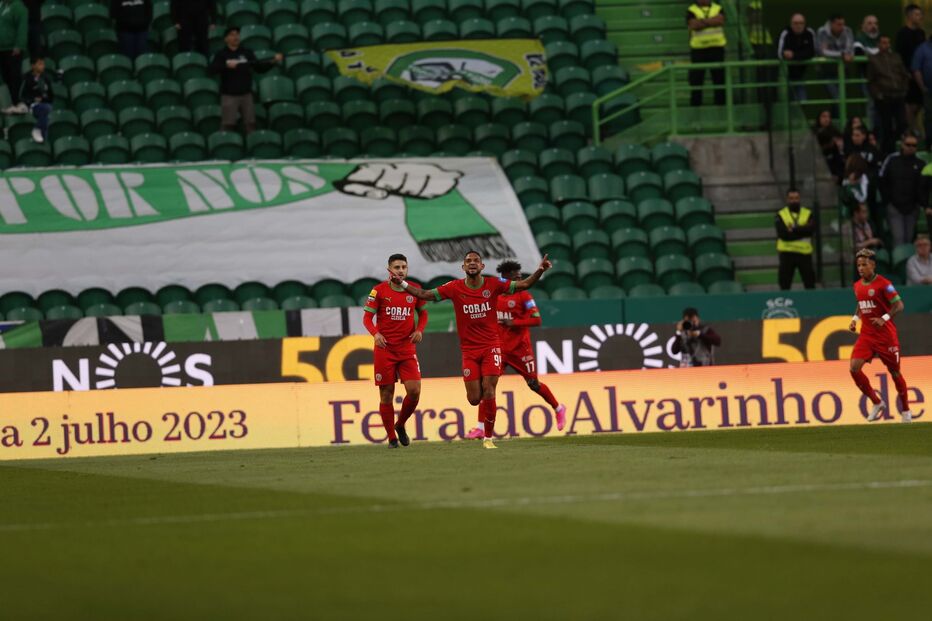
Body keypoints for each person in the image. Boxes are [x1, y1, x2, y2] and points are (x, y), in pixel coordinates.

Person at [388, 251, 552, 450]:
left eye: (476, 261)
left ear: (482, 266)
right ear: (463, 268)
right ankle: (484, 417)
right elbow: (425, 294)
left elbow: (524, 284)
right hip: (469, 351)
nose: (472, 263)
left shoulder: (493, 285)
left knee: (489, 390)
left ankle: (488, 439)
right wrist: (402, 284)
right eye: (468, 261)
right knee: (475, 399)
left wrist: (540, 270)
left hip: (491, 347)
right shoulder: (454, 288)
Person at [491, 260, 566, 436]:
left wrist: (515, 322)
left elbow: (537, 320)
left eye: (520, 273)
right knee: (488, 387)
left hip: (520, 349)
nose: (519, 276)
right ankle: (480, 429)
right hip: (500, 350)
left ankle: (558, 408)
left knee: (533, 384)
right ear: (505, 277)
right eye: (515, 273)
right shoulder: (495, 296)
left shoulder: (524, 296)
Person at [362, 254, 428, 449]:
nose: (400, 270)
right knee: (386, 394)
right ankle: (391, 438)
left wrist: (419, 330)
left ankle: (400, 424)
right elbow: (367, 318)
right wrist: (375, 334)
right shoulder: (378, 291)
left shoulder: (413, 289)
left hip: (407, 349)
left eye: (403, 267)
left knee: (414, 391)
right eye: (397, 267)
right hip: (385, 350)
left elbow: (423, 313)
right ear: (389, 270)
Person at [848, 248, 913, 423]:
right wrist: (855, 318)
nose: (861, 268)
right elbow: (861, 303)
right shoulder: (857, 285)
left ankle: (906, 410)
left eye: (864, 264)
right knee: (854, 368)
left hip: (886, 337)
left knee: (895, 373)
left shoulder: (885, 284)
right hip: (867, 335)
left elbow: (899, 305)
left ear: (873, 265)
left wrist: (884, 318)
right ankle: (877, 402)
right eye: (859, 265)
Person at [208, 26, 282, 135]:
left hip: (246, 95)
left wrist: (273, 61)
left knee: (251, 124)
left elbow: (259, 68)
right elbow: (212, 70)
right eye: (232, 35)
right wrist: (226, 65)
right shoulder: (221, 54)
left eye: (237, 34)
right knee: (228, 125)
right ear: (226, 39)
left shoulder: (247, 52)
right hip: (229, 95)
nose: (235, 37)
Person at [879, 134, 924, 247]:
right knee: (898, 239)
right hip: (894, 206)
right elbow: (882, 180)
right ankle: (899, 264)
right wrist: (887, 201)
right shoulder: (892, 160)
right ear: (902, 145)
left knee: (908, 240)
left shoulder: (920, 164)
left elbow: (923, 187)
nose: (911, 147)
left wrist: (919, 203)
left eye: (914, 145)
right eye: (908, 144)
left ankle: (907, 264)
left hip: (912, 208)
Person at [867, 35, 910, 154]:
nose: (886, 45)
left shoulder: (896, 57)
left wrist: (904, 89)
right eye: (884, 43)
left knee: (902, 123)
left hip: (898, 95)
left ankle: (892, 145)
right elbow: (871, 80)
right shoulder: (874, 59)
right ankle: (887, 152)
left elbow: (904, 74)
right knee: (886, 127)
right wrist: (878, 95)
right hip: (884, 97)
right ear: (878, 45)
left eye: (888, 43)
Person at [686, 0, 727, 107]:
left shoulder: (718, 8)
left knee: (719, 82)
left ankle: (721, 110)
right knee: (696, 83)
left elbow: (720, 21)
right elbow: (693, 25)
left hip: (717, 49)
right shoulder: (691, 10)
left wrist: (702, 22)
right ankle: (695, 112)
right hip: (698, 51)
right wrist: (711, 21)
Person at [775, 188, 816, 290]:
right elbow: (783, 234)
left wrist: (793, 229)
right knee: (784, 284)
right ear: (787, 199)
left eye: (796, 198)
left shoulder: (808, 213)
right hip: (786, 253)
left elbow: (811, 231)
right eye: (791, 198)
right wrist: (802, 231)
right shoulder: (780, 214)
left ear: (800, 198)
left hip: (804, 253)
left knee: (810, 283)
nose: (794, 201)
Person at [896, 4, 926, 132]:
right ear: (909, 16)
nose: (919, 17)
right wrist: (905, 73)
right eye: (917, 15)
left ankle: (914, 128)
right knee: (909, 104)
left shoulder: (921, 33)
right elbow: (899, 55)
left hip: (920, 74)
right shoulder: (902, 34)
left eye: (920, 15)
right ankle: (912, 130)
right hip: (908, 75)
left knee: (919, 103)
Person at [815, 14, 855, 104]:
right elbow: (822, 52)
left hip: (843, 70)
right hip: (826, 71)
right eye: (838, 24)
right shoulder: (822, 32)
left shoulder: (847, 31)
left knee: (843, 99)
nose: (842, 27)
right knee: (835, 98)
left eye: (843, 24)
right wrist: (841, 54)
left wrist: (840, 54)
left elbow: (850, 50)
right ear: (831, 24)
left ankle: (838, 117)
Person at [776, 13, 816, 101]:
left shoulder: (809, 33)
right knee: (785, 101)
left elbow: (812, 52)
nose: (799, 26)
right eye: (796, 23)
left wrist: (794, 55)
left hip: (802, 74)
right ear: (791, 24)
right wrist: (784, 54)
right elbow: (779, 53)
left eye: (801, 23)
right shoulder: (785, 33)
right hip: (785, 74)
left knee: (802, 101)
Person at [0, 0, 27, 115]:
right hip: (1, 48)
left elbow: (22, 27)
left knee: (14, 76)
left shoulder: (18, 7)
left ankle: (19, 103)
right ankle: (11, 104)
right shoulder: (1, 5)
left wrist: (19, 45)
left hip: (13, 49)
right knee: (6, 77)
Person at [18, 54, 50, 143]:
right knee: (46, 109)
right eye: (39, 64)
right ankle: (37, 129)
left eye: (43, 64)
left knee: (46, 115)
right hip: (30, 105)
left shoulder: (45, 77)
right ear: (33, 66)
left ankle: (42, 138)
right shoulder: (27, 78)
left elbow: (50, 94)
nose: (42, 66)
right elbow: (22, 96)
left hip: (43, 104)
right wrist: (33, 99)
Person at [814, 109, 844, 180]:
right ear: (819, 118)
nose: (826, 119)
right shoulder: (813, 131)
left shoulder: (834, 131)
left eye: (828, 117)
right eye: (824, 116)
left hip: (834, 161)